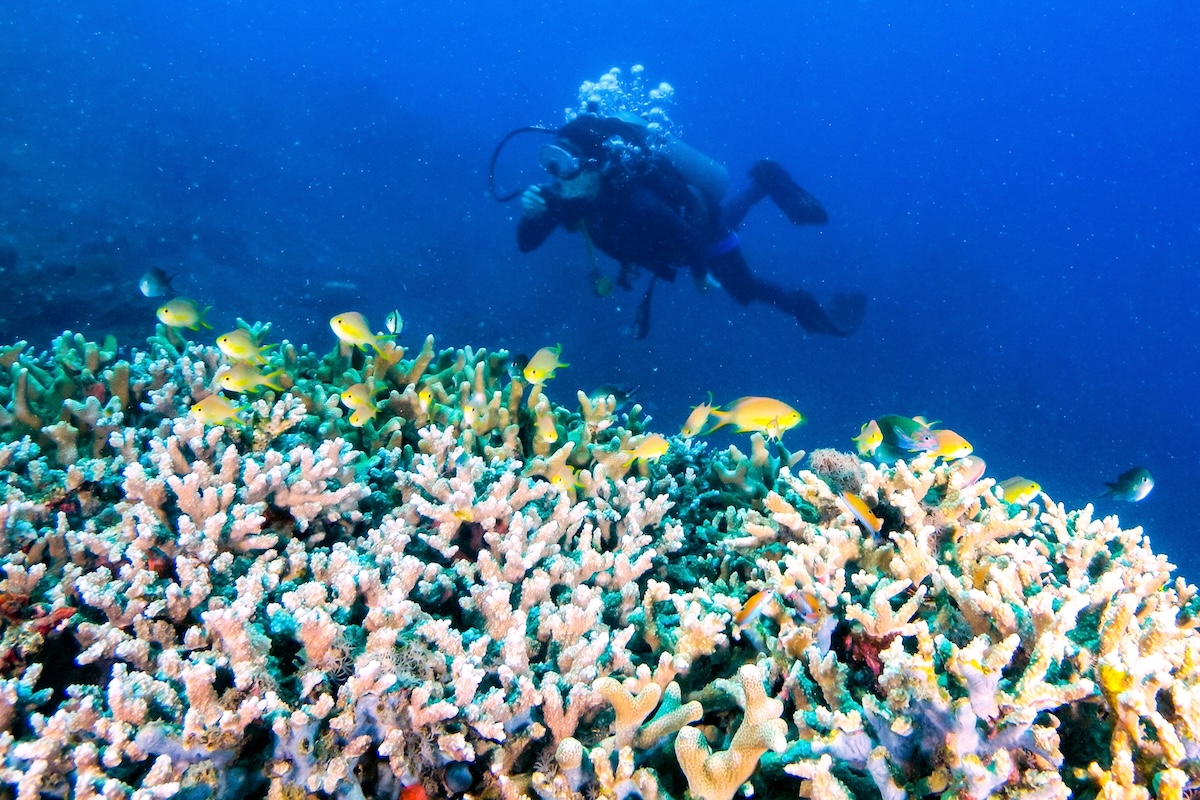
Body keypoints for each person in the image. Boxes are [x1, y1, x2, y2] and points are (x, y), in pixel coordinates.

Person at [515, 111, 866, 338]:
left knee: (742, 284)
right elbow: (527, 243)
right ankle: (763, 181)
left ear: (595, 167)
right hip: (675, 243)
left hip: (701, 235)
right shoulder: (566, 196)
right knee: (725, 216)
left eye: (568, 166)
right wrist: (532, 216)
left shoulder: (639, 203)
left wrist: (700, 275)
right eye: (553, 166)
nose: (558, 178)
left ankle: (803, 305)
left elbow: (690, 238)